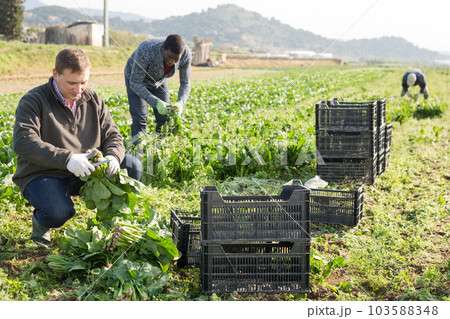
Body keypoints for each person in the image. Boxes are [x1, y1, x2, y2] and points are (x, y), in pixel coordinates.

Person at [13, 47, 142, 248]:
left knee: (133, 166)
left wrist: (114, 157)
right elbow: (23, 141)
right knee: (57, 212)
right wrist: (67, 159)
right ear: (55, 74)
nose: (78, 89)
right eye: (72, 83)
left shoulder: (93, 100)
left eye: (84, 82)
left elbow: (112, 134)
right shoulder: (34, 100)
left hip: (87, 170)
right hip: (45, 172)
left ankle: (111, 221)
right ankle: (40, 224)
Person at [124, 34, 192, 142]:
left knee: (165, 118)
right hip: (136, 80)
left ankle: (160, 150)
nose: (171, 62)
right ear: (163, 48)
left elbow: (185, 83)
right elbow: (135, 83)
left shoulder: (185, 55)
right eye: (169, 57)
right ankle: (137, 154)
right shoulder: (146, 50)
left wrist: (181, 103)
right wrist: (156, 102)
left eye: (176, 59)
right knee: (140, 119)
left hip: (159, 80)